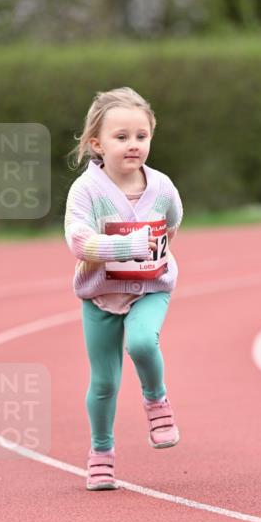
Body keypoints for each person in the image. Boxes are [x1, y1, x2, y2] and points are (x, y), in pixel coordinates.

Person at [65, 87, 182, 491]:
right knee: (104, 383)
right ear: (97, 143)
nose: (133, 145)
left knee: (143, 344)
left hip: (151, 288)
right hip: (99, 295)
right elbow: (79, 243)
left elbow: (172, 222)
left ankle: (156, 399)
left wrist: (152, 259)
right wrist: (128, 246)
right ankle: (101, 453)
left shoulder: (163, 186)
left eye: (141, 136)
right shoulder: (86, 191)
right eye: (121, 137)